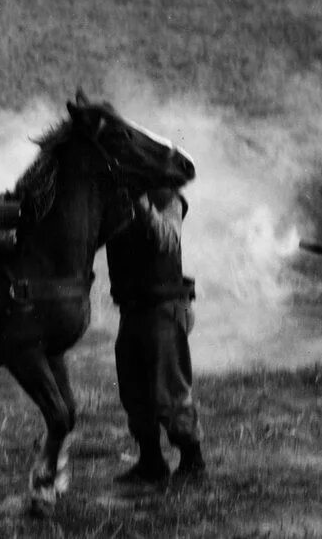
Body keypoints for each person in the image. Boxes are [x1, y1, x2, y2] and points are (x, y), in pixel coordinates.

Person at [106, 188, 205, 484]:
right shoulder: (117, 201)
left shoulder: (167, 198)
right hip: (132, 308)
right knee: (134, 391)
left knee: (170, 391)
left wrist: (141, 203)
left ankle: (193, 462)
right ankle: (151, 462)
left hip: (163, 308)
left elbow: (167, 241)